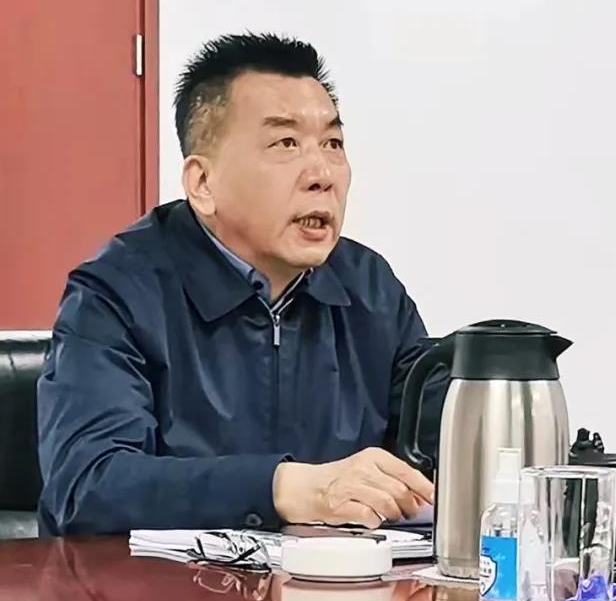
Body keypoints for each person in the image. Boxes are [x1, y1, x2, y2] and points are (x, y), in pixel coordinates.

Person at [37, 33, 442, 536]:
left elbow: (440, 452)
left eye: (333, 144)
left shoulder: (370, 289)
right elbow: (87, 485)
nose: (322, 174)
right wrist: (281, 489)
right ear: (203, 184)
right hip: (157, 588)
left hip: (331, 586)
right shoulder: (118, 292)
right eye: (285, 144)